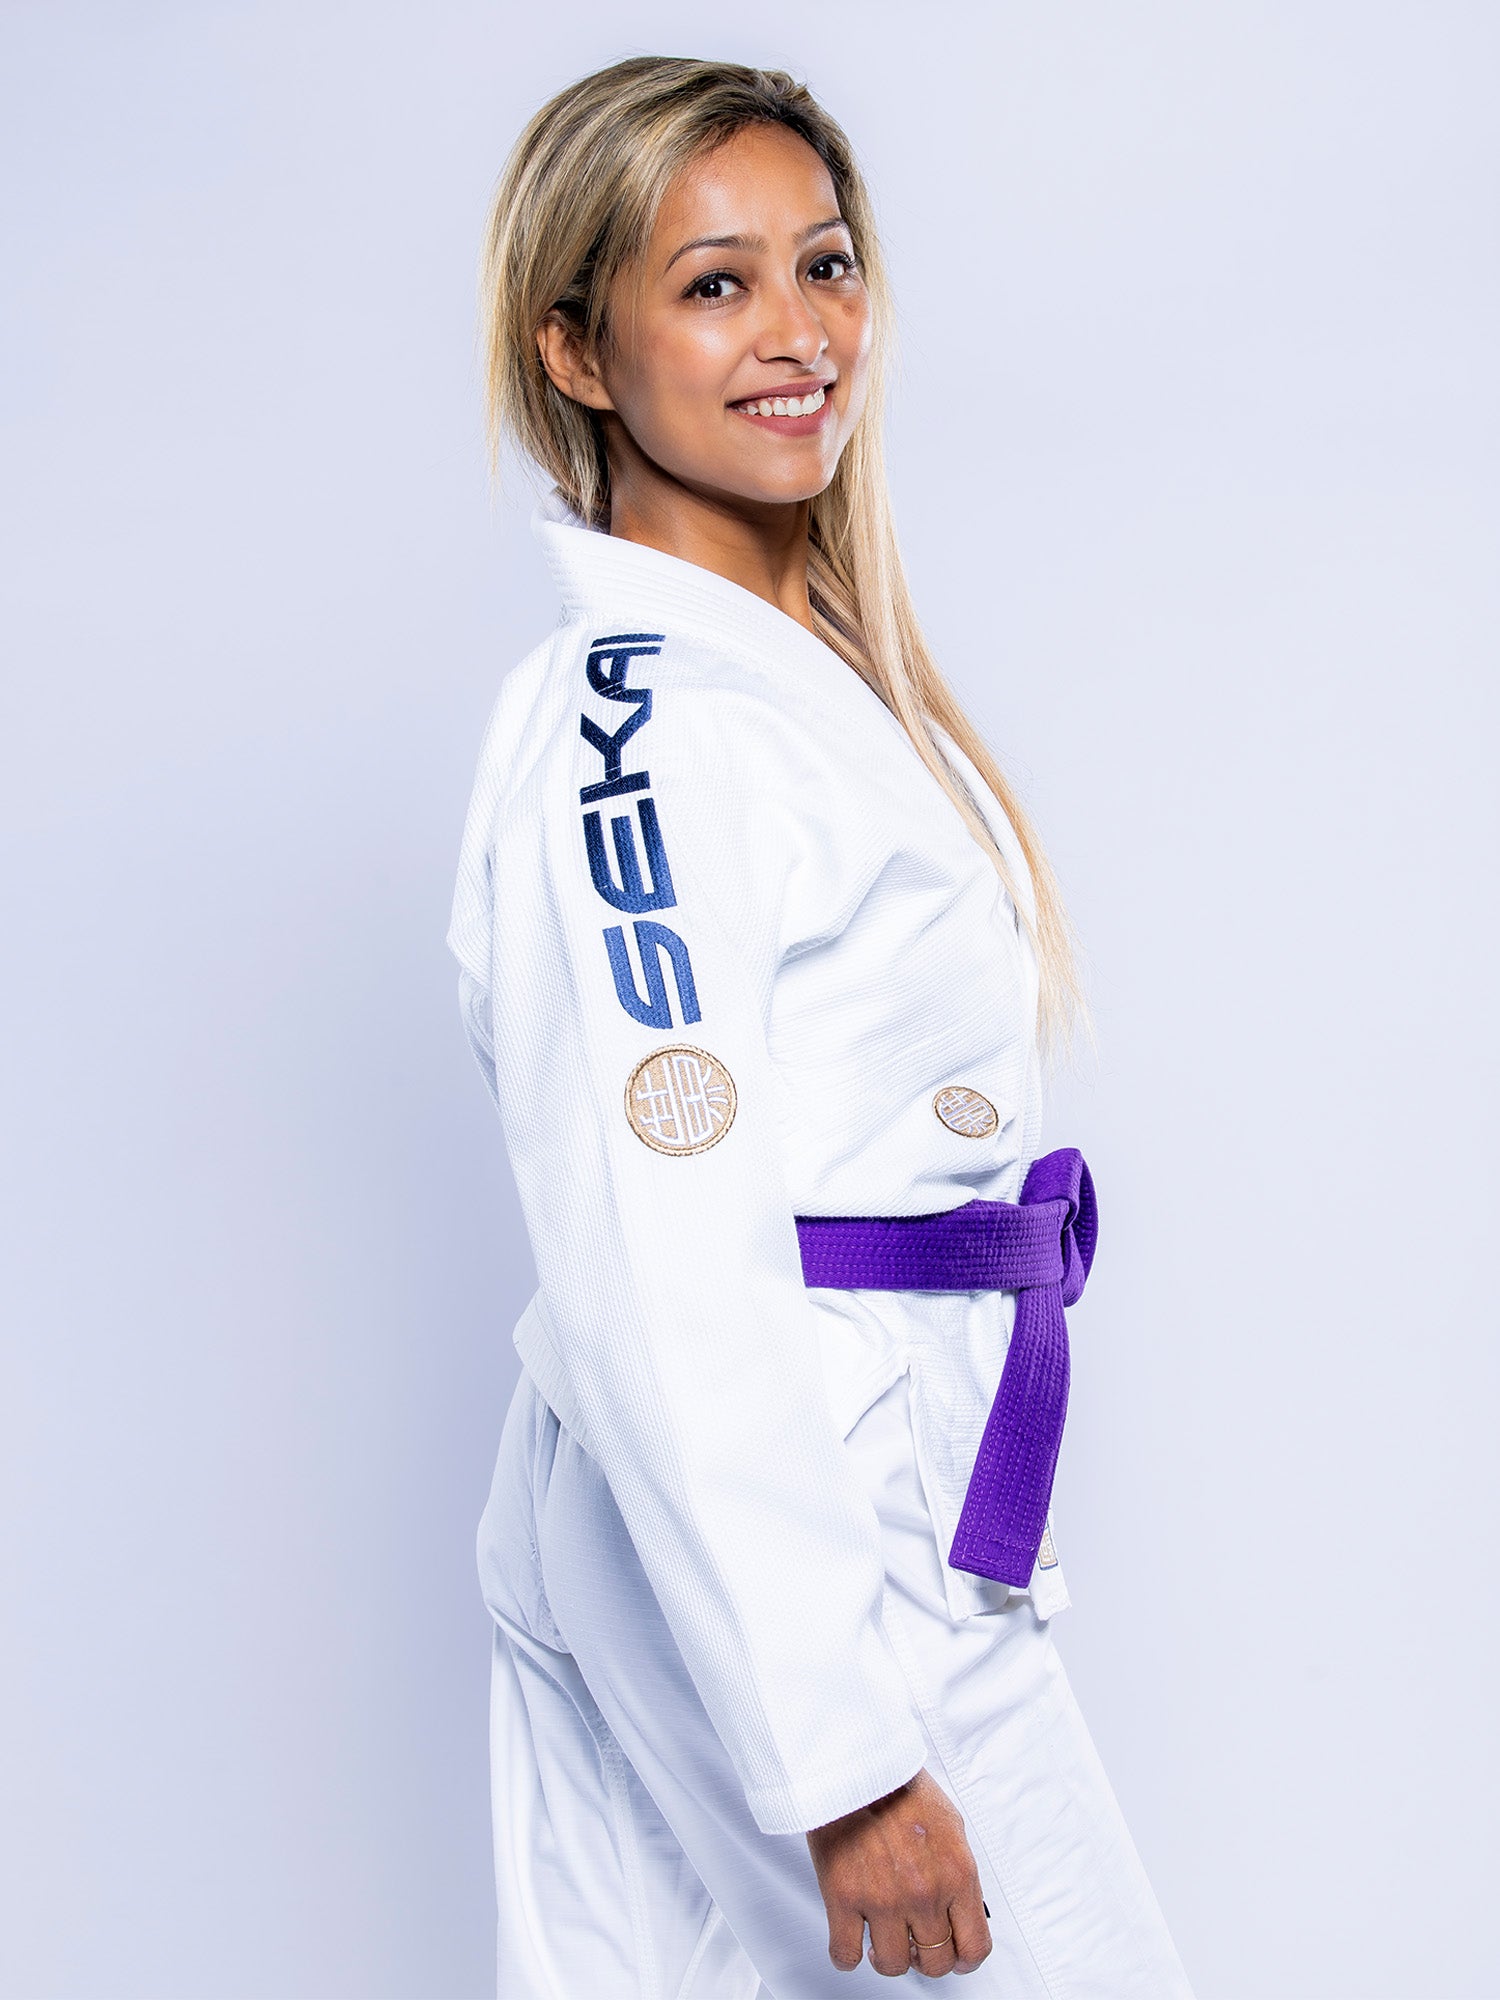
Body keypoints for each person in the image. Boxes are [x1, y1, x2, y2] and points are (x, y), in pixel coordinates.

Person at [447, 55, 1196, 1997]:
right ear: (578, 347)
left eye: (827, 265)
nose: (798, 335)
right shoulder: (642, 732)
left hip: (834, 1492)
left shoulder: (795, 679)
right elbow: (655, 1244)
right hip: (798, 1522)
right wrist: (844, 1750)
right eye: (714, 285)